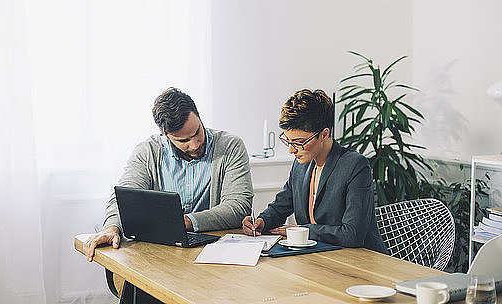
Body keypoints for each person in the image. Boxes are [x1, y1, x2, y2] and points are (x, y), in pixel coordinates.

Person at [84, 87, 253, 261]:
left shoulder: (231, 146)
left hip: (215, 253)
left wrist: (184, 222)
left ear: (199, 116)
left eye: (197, 132)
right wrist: (112, 227)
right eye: (184, 140)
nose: (195, 144)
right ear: (164, 134)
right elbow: (124, 199)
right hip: (158, 254)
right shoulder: (148, 151)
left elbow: (237, 207)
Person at [242, 89, 388, 253]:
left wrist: (305, 230)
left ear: (324, 134)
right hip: (319, 257)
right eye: (288, 140)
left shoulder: (354, 166)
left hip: (361, 262)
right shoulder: (301, 164)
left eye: (299, 142)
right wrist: (262, 221)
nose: (291, 150)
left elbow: (352, 235)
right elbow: (280, 207)